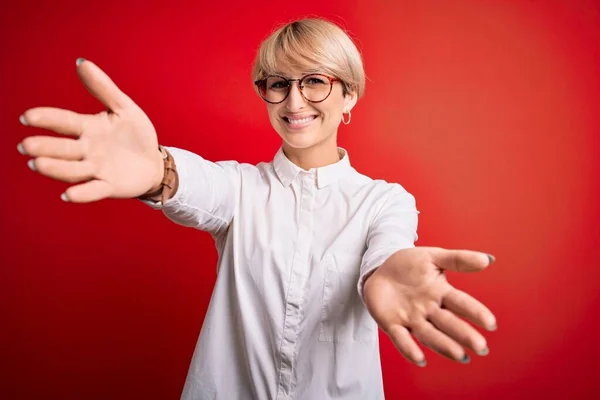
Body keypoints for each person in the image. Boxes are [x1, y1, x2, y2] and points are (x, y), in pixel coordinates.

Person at [17, 17, 497, 400]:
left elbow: (386, 253)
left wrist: (388, 274)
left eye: (314, 82)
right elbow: (197, 186)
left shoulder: (384, 200)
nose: (293, 101)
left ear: (349, 94)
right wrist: (157, 170)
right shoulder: (240, 187)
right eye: (277, 84)